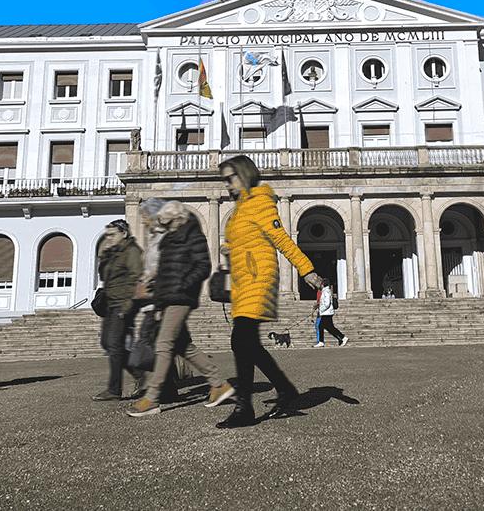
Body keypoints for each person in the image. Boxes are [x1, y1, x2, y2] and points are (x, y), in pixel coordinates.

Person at [216, 154, 324, 429]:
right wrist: (232, 248)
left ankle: (245, 408)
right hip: (243, 280)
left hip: (258, 278)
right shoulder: (241, 208)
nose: (228, 185)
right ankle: (283, 389)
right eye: (225, 180)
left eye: (231, 178)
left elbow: (281, 239)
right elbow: (250, 238)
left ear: (245, 174)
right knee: (245, 342)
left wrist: (306, 269)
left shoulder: (261, 202)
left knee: (241, 340)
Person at [127, 199, 235, 417]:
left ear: (178, 218)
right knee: (183, 347)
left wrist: (183, 286)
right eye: (162, 224)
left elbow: (203, 266)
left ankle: (152, 398)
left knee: (163, 345)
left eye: (166, 223)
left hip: (181, 298)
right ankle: (220, 385)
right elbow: (164, 274)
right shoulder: (168, 240)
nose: (163, 227)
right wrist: (158, 300)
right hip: (166, 299)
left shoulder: (193, 236)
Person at [93, 219, 144, 400]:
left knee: (114, 346)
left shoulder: (131, 251)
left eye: (113, 234)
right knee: (107, 344)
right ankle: (141, 375)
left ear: (124, 234)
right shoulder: (113, 253)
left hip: (124, 303)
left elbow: (138, 279)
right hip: (111, 304)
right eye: (107, 235)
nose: (109, 238)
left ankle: (114, 390)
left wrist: (129, 305)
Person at [314, 283, 348, 348]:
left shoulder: (326, 292)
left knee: (324, 326)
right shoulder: (326, 291)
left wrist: (321, 309)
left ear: (323, 285)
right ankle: (342, 338)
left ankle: (342, 338)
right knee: (327, 327)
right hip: (327, 312)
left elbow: (327, 303)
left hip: (326, 312)